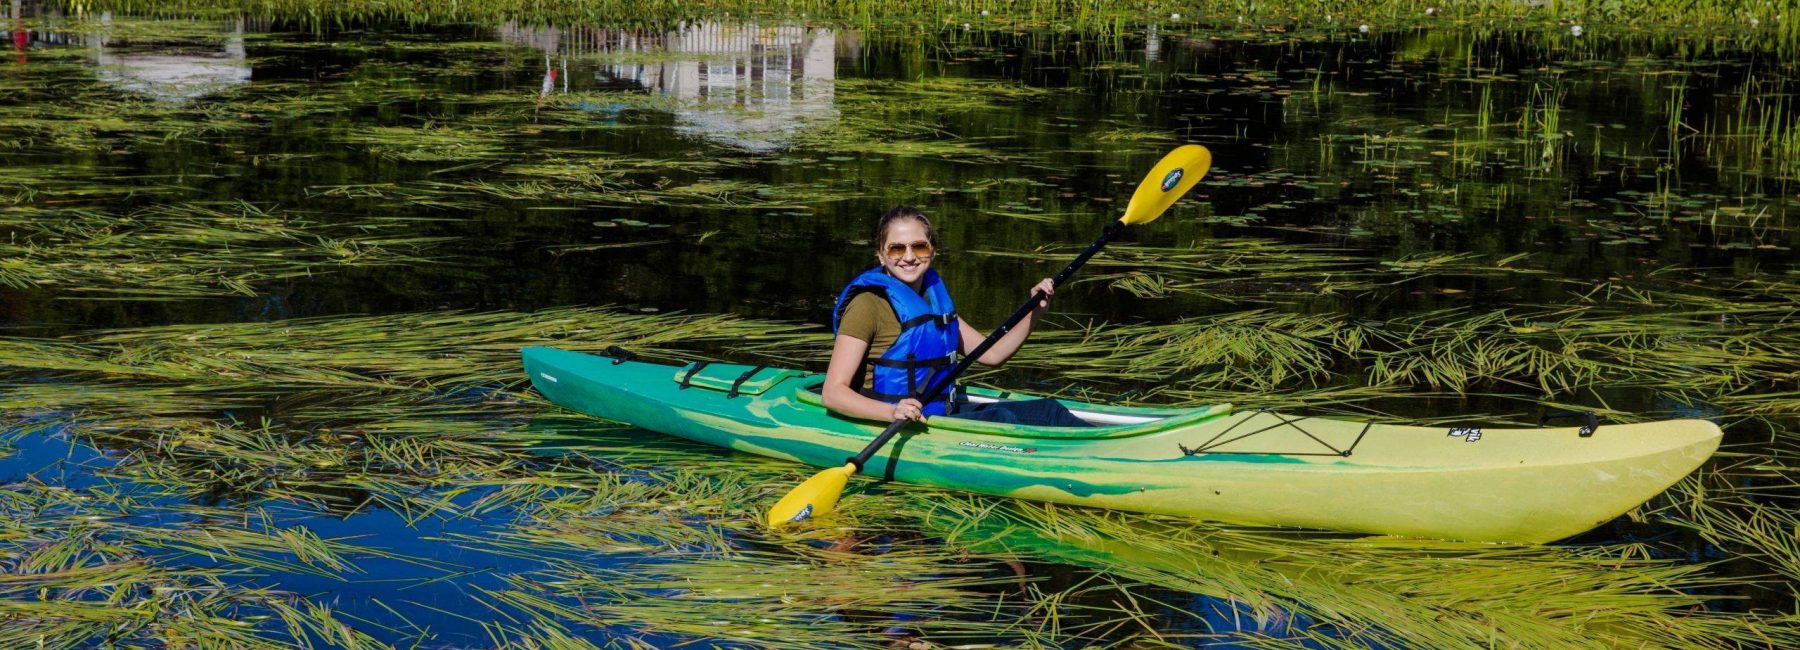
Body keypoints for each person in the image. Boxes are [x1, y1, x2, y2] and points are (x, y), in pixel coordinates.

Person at [823, 206, 1091, 427]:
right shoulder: (868, 305)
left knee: (1049, 410)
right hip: (892, 422)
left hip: (939, 419)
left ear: (932, 250)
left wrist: (1035, 311)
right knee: (1005, 418)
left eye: (919, 247)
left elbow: (992, 354)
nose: (908, 257)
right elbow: (833, 392)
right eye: (896, 249)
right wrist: (890, 412)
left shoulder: (931, 299)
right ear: (881, 255)